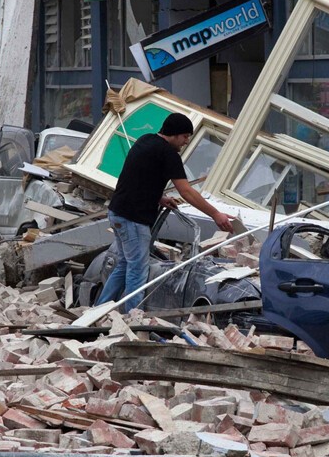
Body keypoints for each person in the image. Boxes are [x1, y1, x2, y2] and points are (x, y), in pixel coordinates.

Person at [96, 112, 234, 312]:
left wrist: (158, 197)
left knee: (125, 264)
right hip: (134, 219)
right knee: (138, 270)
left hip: (117, 212)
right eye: (185, 136)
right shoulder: (169, 154)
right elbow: (186, 191)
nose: (186, 141)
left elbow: (139, 175)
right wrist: (215, 214)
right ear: (175, 134)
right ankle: (132, 319)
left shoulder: (145, 140)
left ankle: (99, 310)